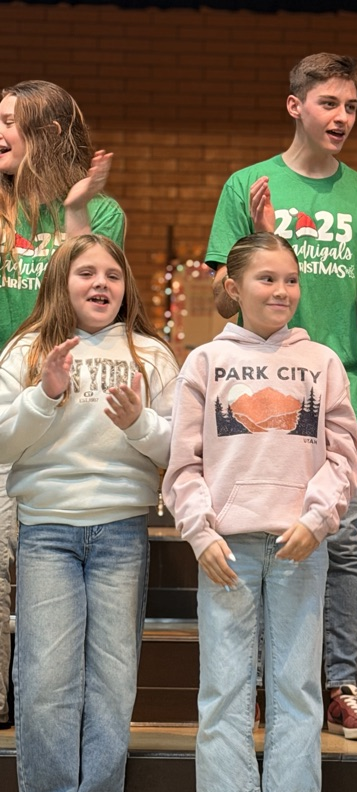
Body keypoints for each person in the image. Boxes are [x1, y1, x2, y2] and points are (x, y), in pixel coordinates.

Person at [205, 53, 357, 740]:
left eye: (351, 106)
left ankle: (339, 684)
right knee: (266, 539)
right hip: (258, 393)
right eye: (329, 103)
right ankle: (266, 683)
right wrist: (257, 239)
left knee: (341, 542)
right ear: (295, 105)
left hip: (343, 390)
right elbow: (219, 299)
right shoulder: (248, 184)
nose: (342, 118)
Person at [164, 233, 357, 792]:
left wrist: (317, 516)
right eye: (267, 280)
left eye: (291, 280)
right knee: (223, 682)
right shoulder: (204, 362)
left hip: (300, 544)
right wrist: (200, 532)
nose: (281, 292)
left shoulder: (323, 362)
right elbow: (183, 464)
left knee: (296, 682)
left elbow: (343, 457)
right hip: (226, 546)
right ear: (235, 286)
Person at [0, 234, 178, 792]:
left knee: (111, 678)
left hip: (123, 531)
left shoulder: (151, 354)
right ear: (60, 282)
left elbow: (179, 450)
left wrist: (139, 422)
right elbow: (2, 442)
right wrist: (44, 396)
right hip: (47, 529)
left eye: (113, 274)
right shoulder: (27, 351)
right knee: (46, 679)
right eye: (86, 273)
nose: (101, 283)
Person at [0, 79, 125, 728]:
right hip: (6, 400)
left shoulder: (99, 214)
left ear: (48, 133)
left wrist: (75, 216)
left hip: (69, 412)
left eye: (11, 121)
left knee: (50, 577)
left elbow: (94, 304)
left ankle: (54, 708)